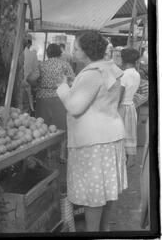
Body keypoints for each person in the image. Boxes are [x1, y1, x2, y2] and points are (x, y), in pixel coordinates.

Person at [56, 30, 127, 232]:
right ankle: (103, 231)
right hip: (110, 136)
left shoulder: (91, 74)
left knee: (93, 194)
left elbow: (75, 106)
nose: (73, 50)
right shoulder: (109, 68)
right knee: (106, 190)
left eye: (76, 48)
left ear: (86, 51)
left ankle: (93, 232)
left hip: (93, 141)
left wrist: (62, 87)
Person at [118, 48, 141, 168]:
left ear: (123, 60)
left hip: (122, 108)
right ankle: (129, 159)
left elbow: (119, 94)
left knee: (120, 134)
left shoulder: (124, 75)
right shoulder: (136, 74)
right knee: (129, 133)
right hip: (131, 107)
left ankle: (122, 161)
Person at [22, 34, 38, 115]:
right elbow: (36, 73)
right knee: (25, 110)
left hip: (12, 86)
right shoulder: (32, 54)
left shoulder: (14, 54)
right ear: (30, 44)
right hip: (26, 86)